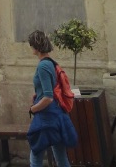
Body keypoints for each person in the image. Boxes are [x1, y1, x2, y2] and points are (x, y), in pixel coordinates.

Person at [27, 30, 77, 167]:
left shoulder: (42, 66)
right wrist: (38, 95)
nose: (30, 48)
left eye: (31, 45)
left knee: (35, 156)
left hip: (46, 117)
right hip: (57, 115)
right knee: (61, 158)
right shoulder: (51, 63)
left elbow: (48, 97)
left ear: (36, 47)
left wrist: (33, 109)